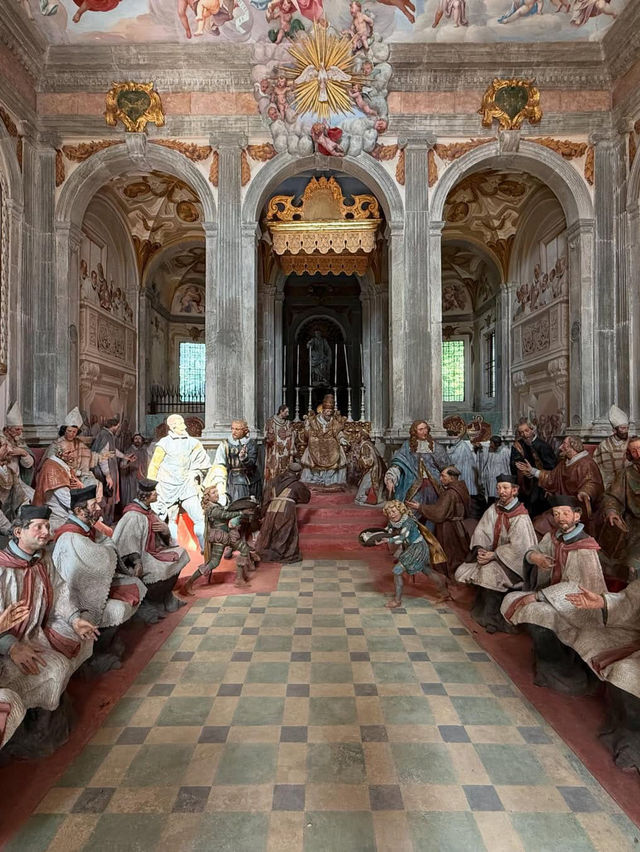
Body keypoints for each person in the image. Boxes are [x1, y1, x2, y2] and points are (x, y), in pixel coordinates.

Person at [0, 506, 98, 724]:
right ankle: (36, 722)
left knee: (84, 635)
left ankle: (48, 713)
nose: (46, 532)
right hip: (8, 644)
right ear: (18, 532)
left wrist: (75, 619)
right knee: (56, 668)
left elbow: (61, 591)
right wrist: (11, 646)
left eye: (47, 526)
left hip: (37, 630)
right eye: (38, 527)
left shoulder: (42, 559)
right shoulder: (2, 568)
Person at [501, 496, 607, 692]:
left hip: (578, 606)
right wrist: (536, 557)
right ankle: (546, 662)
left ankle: (560, 669)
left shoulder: (584, 548)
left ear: (577, 515)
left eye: (566, 513)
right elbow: (534, 549)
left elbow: (575, 586)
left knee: (537, 612)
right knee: (514, 599)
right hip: (555, 598)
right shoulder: (554, 537)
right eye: (556, 514)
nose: (561, 518)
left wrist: (540, 596)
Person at [52, 486, 145, 670]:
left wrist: (108, 550)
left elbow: (106, 543)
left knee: (135, 584)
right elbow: (98, 558)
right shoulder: (71, 536)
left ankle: (108, 643)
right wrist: (107, 551)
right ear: (79, 511)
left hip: (94, 584)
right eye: (93, 505)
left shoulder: (86, 527)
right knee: (117, 606)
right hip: (79, 596)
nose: (98, 508)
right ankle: (97, 654)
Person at [455, 474, 538, 633]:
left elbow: (520, 548)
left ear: (515, 490)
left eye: (506, 488)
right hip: (492, 556)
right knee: (464, 571)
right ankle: (483, 613)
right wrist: (480, 550)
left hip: (512, 564)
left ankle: (494, 619)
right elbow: (482, 531)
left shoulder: (520, 517)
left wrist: (494, 555)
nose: (501, 492)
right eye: (499, 488)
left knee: (489, 574)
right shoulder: (494, 508)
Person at [112, 478, 190, 618]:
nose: (157, 495)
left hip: (152, 551)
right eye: (154, 493)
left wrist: (165, 531)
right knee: (159, 569)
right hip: (137, 558)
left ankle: (165, 597)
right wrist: (137, 562)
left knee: (181, 554)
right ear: (145, 496)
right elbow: (127, 543)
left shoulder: (147, 511)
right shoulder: (133, 515)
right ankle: (151, 602)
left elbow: (162, 537)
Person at [516, 435, 604, 536]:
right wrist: (532, 471)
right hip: (563, 505)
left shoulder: (586, 463)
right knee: (539, 523)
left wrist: (585, 492)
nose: (560, 447)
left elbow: (593, 483)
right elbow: (551, 478)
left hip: (577, 508)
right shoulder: (565, 463)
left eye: (564, 444)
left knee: (541, 524)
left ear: (573, 447)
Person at [147, 414, 211, 550]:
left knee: (199, 517)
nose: (185, 426)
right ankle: (173, 546)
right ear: (172, 426)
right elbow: (154, 466)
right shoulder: (164, 444)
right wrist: (153, 487)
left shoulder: (193, 443)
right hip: (167, 487)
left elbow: (204, 463)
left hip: (187, 486)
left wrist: (194, 472)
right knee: (171, 519)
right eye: (180, 423)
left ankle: (205, 548)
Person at [181, 485, 254, 595]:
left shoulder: (216, 505)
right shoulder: (212, 509)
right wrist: (241, 513)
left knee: (244, 549)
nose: (217, 494)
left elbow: (226, 512)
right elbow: (225, 515)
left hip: (226, 535)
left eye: (217, 492)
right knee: (214, 563)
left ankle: (239, 579)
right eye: (213, 493)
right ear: (208, 497)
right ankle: (189, 583)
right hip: (220, 537)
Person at [377, 500, 449, 610]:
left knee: (397, 570)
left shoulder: (408, 522)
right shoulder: (393, 521)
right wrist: (375, 536)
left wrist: (387, 540)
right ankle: (444, 590)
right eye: (389, 512)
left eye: (394, 511)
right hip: (412, 547)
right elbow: (387, 530)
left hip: (418, 547)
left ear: (400, 510)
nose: (392, 514)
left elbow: (402, 537)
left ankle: (397, 601)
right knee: (425, 570)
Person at [407, 465, 470, 579]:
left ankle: (449, 574)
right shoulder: (461, 488)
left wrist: (419, 507)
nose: (440, 479)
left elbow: (439, 513)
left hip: (449, 528)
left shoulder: (450, 493)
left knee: (449, 553)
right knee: (458, 551)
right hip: (458, 525)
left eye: (443, 476)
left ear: (451, 478)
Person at [384, 420, 451, 512]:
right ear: (414, 432)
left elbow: (446, 467)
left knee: (436, 508)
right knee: (411, 507)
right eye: (421, 429)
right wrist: (390, 479)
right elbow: (399, 464)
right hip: (412, 481)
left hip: (434, 483)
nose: (425, 431)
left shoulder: (435, 446)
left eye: (426, 428)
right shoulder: (407, 447)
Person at [599, 435, 640, 581]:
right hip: (635, 526)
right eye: (634, 451)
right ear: (629, 455)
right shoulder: (626, 474)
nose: (638, 454)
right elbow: (611, 497)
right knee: (630, 564)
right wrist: (612, 511)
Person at [43, 407, 103, 502]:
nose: (71, 434)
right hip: (62, 476)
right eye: (69, 431)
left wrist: (103, 456)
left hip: (80, 475)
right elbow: (50, 464)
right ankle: (80, 511)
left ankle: (90, 510)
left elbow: (90, 456)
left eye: (74, 432)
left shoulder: (78, 443)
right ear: (64, 430)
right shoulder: (56, 444)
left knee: (94, 484)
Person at [257, 462, 311, 564]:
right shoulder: (297, 485)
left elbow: (266, 497)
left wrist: (262, 513)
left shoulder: (273, 481)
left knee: (270, 531)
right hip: (286, 509)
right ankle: (281, 554)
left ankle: (269, 553)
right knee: (285, 532)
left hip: (271, 509)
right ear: (297, 474)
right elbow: (306, 498)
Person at [207, 419, 262, 505]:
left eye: (237, 429)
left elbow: (251, 463)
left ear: (245, 431)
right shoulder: (225, 444)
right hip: (234, 480)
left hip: (252, 479)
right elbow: (219, 463)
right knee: (237, 505)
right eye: (232, 429)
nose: (234, 432)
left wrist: (244, 458)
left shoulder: (251, 444)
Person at [299, 395, 349, 489]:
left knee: (340, 454)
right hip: (316, 445)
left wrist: (342, 439)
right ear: (323, 410)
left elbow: (338, 432)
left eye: (331, 412)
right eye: (327, 411)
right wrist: (307, 428)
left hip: (332, 445)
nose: (329, 414)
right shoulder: (314, 421)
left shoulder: (334, 421)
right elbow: (308, 434)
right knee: (310, 451)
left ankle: (331, 479)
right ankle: (317, 477)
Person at [510, 420, 556, 517]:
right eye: (521, 432)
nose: (524, 434)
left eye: (526, 431)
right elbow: (514, 462)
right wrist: (521, 470)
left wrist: (534, 472)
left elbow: (551, 468)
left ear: (532, 430)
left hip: (540, 483)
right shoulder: (518, 445)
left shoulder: (543, 446)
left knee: (537, 508)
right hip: (524, 482)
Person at [33, 446, 84, 533]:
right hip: (58, 514)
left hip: (67, 508)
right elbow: (67, 500)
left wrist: (80, 486)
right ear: (59, 454)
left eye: (73, 451)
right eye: (69, 452)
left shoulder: (60, 464)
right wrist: (84, 505)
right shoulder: (53, 469)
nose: (73, 455)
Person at [91, 417, 129, 525]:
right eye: (117, 426)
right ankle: (106, 521)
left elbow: (112, 451)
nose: (118, 428)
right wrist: (107, 475)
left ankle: (108, 520)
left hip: (109, 470)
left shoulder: (107, 434)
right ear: (114, 426)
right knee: (108, 496)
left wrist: (124, 457)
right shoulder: (105, 435)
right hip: (105, 472)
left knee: (110, 495)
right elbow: (103, 457)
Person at [443, 415, 479, 514]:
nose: (450, 436)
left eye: (452, 434)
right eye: (449, 434)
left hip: (465, 478)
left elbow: (456, 463)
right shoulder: (451, 446)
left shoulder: (463, 447)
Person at [594, 405, 629, 490]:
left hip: (629, 483)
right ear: (614, 430)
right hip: (609, 485)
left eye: (627, 428)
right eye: (622, 428)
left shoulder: (632, 443)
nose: (626, 431)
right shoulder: (604, 445)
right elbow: (597, 467)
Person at [1, 403, 35, 488]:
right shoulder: (1, 440)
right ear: (9, 429)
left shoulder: (20, 442)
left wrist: (23, 453)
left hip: (17, 481)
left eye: (21, 429)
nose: (20, 432)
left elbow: (29, 465)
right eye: (17, 429)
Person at [264, 405, 296, 493]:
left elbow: (292, 437)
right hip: (275, 452)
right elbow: (267, 437)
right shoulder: (271, 422)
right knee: (274, 472)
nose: (288, 414)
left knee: (285, 472)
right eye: (286, 412)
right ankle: (272, 491)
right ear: (281, 411)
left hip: (285, 452)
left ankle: (284, 491)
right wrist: (270, 438)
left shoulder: (288, 423)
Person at [354, 434, 387, 507]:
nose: (355, 437)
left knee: (362, 493)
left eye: (358, 435)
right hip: (375, 469)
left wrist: (359, 459)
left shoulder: (365, 446)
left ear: (362, 437)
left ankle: (370, 500)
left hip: (372, 471)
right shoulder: (369, 444)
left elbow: (369, 461)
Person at [477, 436, 511, 505]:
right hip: (490, 478)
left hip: (501, 478)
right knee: (490, 497)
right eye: (490, 443)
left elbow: (508, 465)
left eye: (491, 443)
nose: (490, 445)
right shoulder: (489, 450)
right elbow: (483, 455)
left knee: (500, 496)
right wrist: (480, 448)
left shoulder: (505, 451)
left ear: (497, 444)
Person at [119, 433, 148, 508]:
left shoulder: (144, 451)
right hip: (131, 477)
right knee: (131, 495)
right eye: (136, 439)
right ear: (133, 441)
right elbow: (122, 465)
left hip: (141, 476)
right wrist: (128, 462)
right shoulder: (129, 451)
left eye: (139, 439)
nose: (137, 440)